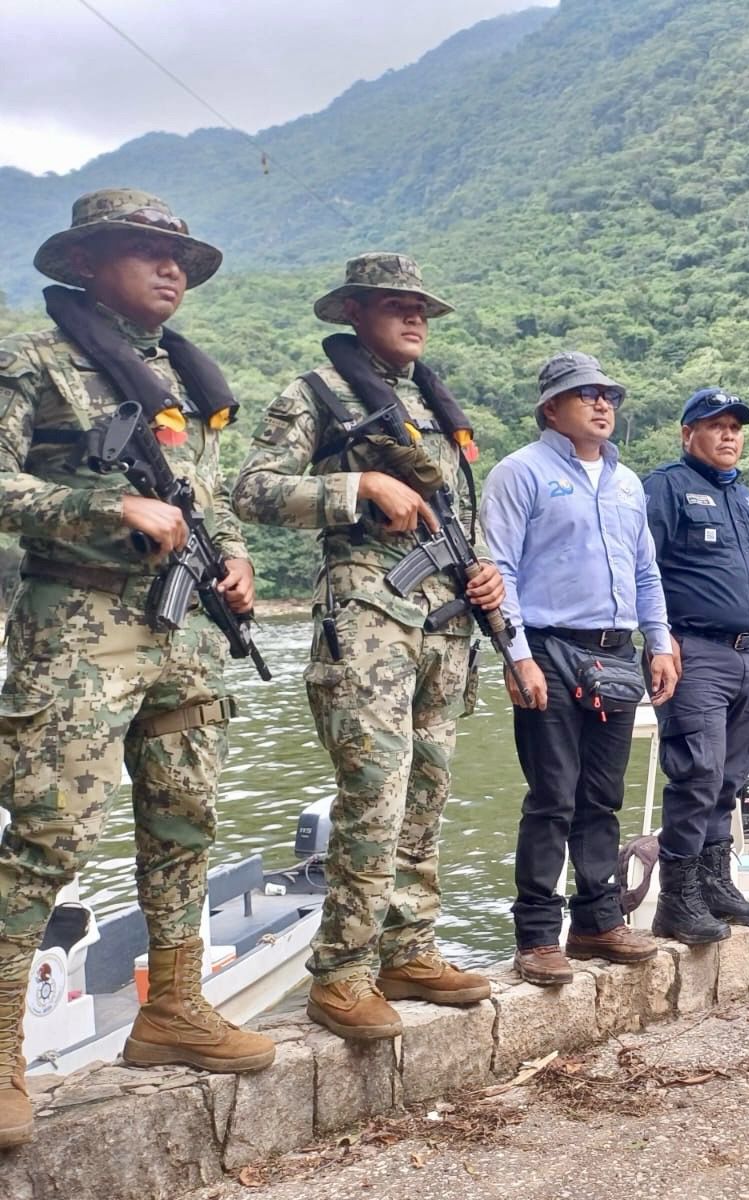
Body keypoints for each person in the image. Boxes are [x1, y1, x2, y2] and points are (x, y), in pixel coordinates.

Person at [0, 189, 275, 1146]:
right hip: (75, 622)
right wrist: (105, 510)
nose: (171, 271)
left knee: (184, 817)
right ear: (82, 263)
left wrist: (234, 556)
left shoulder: (172, 377)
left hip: (184, 628)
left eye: (181, 259)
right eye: (144, 252)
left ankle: (172, 1011)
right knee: (47, 835)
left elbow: (202, 494)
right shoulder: (31, 362)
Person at [234, 254, 500, 1040]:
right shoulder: (315, 394)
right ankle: (342, 973)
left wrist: (484, 571)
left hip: (443, 621)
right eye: (396, 305)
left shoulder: (429, 406)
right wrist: (358, 490)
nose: (416, 317)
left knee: (428, 790)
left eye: (422, 306)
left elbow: (454, 514)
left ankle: (408, 949)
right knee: (374, 793)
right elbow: (252, 491)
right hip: (366, 613)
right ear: (353, 311)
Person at [482, 351, 675, 986]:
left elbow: (646, 570)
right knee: (552, 796)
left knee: (602, 793)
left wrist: (661, 642)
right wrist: (518, 656)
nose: (601, 404)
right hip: (549, 645)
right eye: (585, 394)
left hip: (616, 651)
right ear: (550, 408)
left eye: (608, 395)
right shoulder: (520, 473)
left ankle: (596, 920)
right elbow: (500, 570)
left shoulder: (627, 483)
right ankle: (537, 934)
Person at [643, 389, 749, 943]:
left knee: (732, 775)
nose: (728, 435)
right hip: (692, 651)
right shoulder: (666, 487)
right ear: (687, 433)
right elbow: (640, 566)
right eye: (715, 425)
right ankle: (676, 899)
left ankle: (715, 883)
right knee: (696, 773)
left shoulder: (746, 500)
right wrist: (658, 638)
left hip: (748, 656)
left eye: (735, 427)